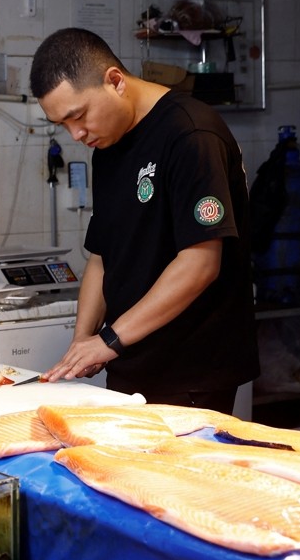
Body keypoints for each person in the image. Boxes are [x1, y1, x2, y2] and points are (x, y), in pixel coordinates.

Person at [30, 28, 259, 414]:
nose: (76, 134)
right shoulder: (107, 146)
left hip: (193, 372)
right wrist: (83, 342)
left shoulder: (191, 133)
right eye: (63, 125)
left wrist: (108, 341)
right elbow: (103, 257)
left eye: (79, 116)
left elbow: (200, 264)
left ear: (115, 81)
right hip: (131, 361)